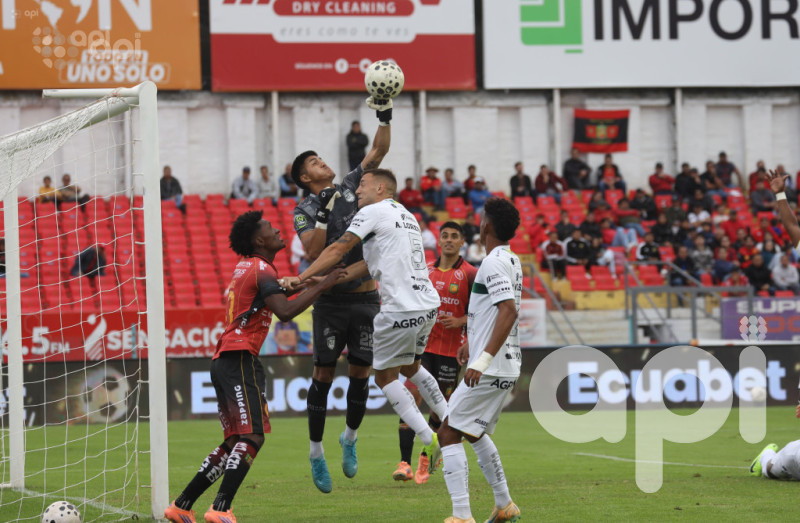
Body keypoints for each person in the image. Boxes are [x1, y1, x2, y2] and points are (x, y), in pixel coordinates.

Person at [163, 210, 344, 523]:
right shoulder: (262, 269)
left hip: (225, 359)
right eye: (271, 228)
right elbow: (284, 312)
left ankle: (181, 506)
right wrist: (324, 285)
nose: (277, 230)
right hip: (240, 357)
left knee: (235, 440)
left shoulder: (249, 267)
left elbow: (272, 297)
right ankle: (220, 510)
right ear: (260, 240)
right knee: (253, 436)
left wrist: (303, 283)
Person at [287, 168, 448, 486]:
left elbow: (335, 250)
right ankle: (450, 420)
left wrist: (301, 277)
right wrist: (319, 281)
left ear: (380, 188)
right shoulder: (405, 215)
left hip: (398, 308)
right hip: (428, 303)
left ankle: (428, 436)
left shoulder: (371, 211)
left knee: (384, 377)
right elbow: (362, 266)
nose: (356, 191)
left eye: (362, 185)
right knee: (413, 367)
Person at [289, 97, 391, 493]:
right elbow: (314, 252)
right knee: (323, 375)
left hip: (366, 297)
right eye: (313, 162)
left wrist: (384, 112)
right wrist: (323, 211)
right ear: (303, 178)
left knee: (361, 374)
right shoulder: (305, 207)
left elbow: (379, 149)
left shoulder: (352, 184)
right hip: (330, 302)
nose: (322, 162)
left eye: (320, 158)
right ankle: (316, 452)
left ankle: (349, 438)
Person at [438, 197, 522, 523]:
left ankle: (462, 516)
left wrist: (481, 360)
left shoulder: (492, 263)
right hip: (504, 363)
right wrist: (472, 344)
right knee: (472, 432)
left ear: (486, 225)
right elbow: (492, 310)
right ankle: (504, 505)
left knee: (447, 432)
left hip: (491, 366)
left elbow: (508, 310)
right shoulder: (511, 260)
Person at [395, 222, 477, 484]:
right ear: (438, 241)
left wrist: (461, 320)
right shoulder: (425, 271)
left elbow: (482, 312)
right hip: (421, 347)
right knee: (411, 395)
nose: (450, 240)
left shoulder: (471, 274)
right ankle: (404, 463)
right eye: (445, 236)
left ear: (462, 242)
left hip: (452, 352)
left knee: (438, 409)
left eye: (455, 236)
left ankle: (426, 455)